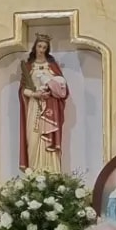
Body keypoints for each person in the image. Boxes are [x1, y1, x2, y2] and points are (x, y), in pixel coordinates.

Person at [19, 33, 68, 172]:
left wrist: (50, 90)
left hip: (50, 107)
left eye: (44, 47)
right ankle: (34, 173)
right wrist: (35, 94)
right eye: (39, 46)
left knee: (48, 139)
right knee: (33, 139)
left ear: (47, 49)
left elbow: (62, 89)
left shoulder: (52, 66)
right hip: (34, 107)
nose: (41, 50)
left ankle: (52, 172)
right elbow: (23, 90)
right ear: (35, 47)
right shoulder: (29, 67)